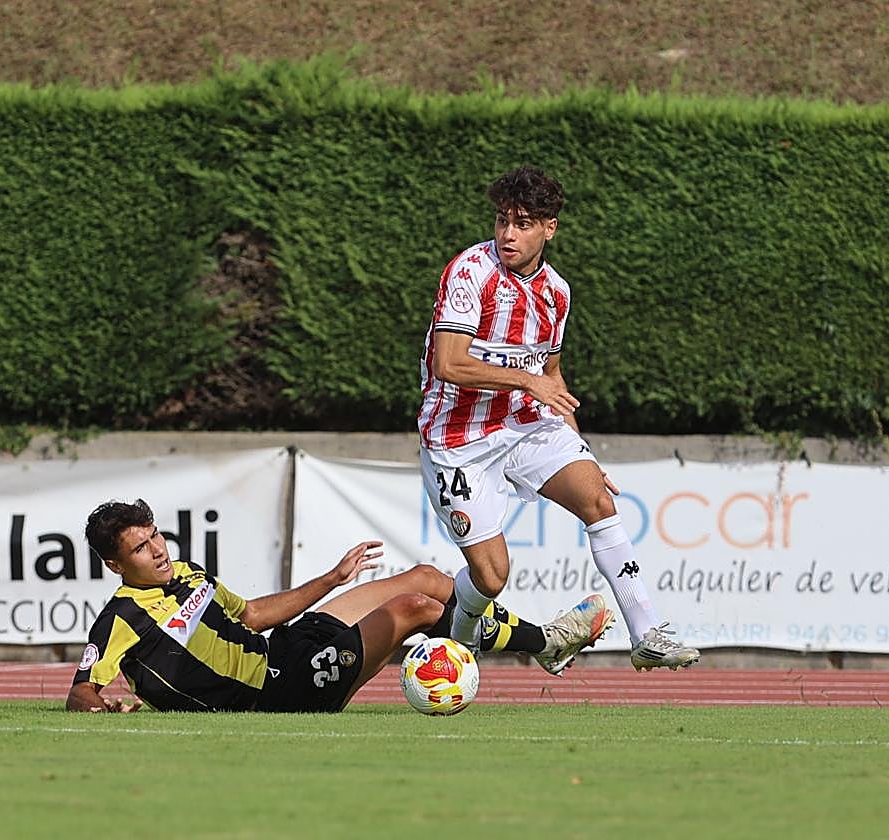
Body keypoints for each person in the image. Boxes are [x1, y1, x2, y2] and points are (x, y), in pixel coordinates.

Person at [417, 165, 699, 672]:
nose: (508, 234)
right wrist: (528, 382)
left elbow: (552, 378)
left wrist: (579, 450)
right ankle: (461, 640)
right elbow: (449, 364)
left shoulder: (557, 293)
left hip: (524, 425)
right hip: (458, 438)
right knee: (491, 577)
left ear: (549, 228)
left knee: (598, 499)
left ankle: (646, 634)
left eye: (523, 223)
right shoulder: (469, 272)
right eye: (502, 220)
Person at [66, 498, 613, 713]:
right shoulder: (122, 618)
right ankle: (546, 642)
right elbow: (81, 691)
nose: (158, 550)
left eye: (156, 537)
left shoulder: (187, 572)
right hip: (276, 695)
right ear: (115, 565)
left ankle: (542, 645)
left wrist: (332, 578)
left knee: (428, 578)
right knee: (415, 607)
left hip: (282, 650)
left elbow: (253, 615)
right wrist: (102, 706)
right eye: (140, 549)